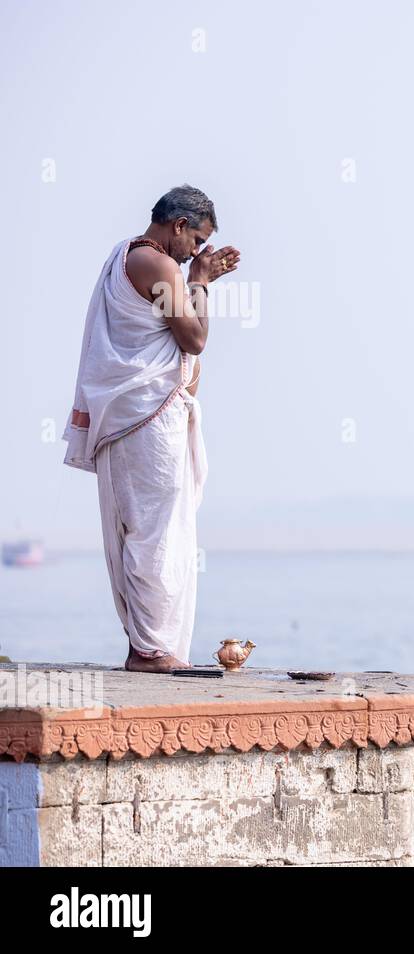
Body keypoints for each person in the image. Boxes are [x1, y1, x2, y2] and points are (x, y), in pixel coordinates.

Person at [62, 185, 240, 673]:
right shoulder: (155, 264)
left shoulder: (129, 256)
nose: (196, 252)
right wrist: (201, 280)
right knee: (153, 534)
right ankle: (150, 650)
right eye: (197, 241)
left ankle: (153, 647)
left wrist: (197, 276)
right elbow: (194, 337)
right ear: (178, 226)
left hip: (147, 417)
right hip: (142, 418)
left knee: (160, 532)